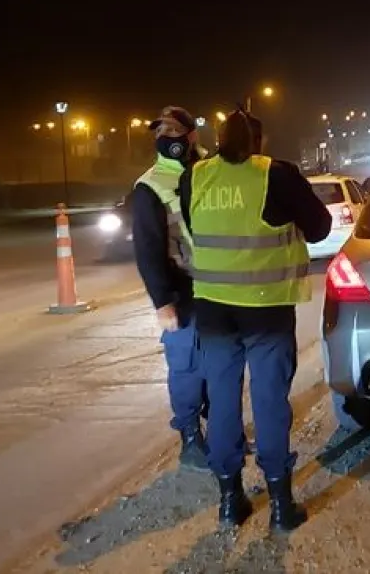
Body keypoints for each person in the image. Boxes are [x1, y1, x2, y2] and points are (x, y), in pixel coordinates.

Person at [178, 110, 332, 531]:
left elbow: (192, 225)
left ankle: (230, 500)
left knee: (224, 402)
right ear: (258, 142)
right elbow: (320, 229)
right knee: (268, 400)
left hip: (212, 310)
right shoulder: (276, 175)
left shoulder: (195, 176)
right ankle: (282, 505)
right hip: (266, 310)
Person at [132, 106, 211, 472]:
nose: (168, 137)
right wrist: (162, 302)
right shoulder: (150, 185)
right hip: (183, 291)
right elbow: (148, 249)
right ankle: (191, 439)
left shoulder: (212, 170)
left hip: (221, 288)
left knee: (221, 365)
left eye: (175, 129)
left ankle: (224, 432)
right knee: (187, 367)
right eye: (161, 131)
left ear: (192, 135)